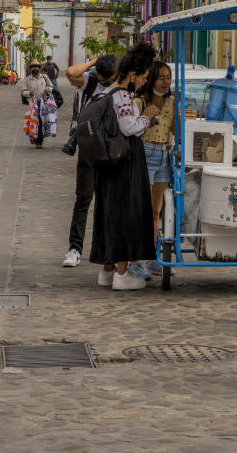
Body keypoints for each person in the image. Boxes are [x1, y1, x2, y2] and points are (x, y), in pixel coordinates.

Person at [89, 43, 159, 291]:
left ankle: (106, 271)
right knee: (126, 213)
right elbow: (129, 127)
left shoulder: (105, 92)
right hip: (125, 162)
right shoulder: (123, 96)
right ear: (133, 75)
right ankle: (122, 272)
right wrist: (148, 115)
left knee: (109, 211)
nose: (143, 83)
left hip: (109, 163)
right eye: (143, 77)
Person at [60, 54, 119, 268]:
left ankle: (108, 250)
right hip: (90, 147)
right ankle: (75, 249)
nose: (106, 83)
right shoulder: (90, 80)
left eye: (109, 78)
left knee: (111, 201)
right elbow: (70, 73)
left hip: (114, 148)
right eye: (103, 78)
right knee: (83, 199)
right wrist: (93, 62)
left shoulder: (121, 84)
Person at [136, 61, 176, 274]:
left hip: (164, 155)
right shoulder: (141, 101)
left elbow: (175, 130)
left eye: (168, 77)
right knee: (141, 210)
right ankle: (135, 260)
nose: (165, 81)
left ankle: (152, 257)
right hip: (145, 152)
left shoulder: (171, 101)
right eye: (161, 77)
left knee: (155, 211)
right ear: (151, 79)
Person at [23, 63, 54, 149]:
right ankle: (32, 137)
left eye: (36, 67)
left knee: (41, 123)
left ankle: (39, 141)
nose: (35, 68)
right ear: (30, 69)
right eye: (33, 67)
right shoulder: (27, 79)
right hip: (32, 105)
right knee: (33, 122)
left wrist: (48, 89)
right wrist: (29, 93)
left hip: (43, 104)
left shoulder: (44, 77)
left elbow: (51, 86)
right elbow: (23, 91)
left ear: (39, 68)